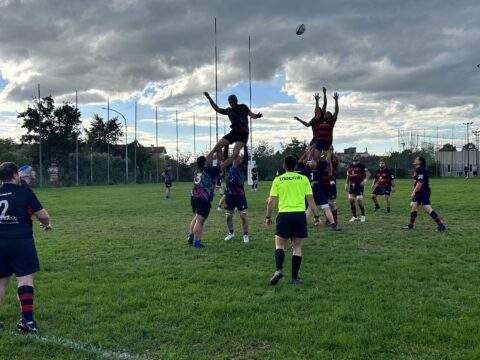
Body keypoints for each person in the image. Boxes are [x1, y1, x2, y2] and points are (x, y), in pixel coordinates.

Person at [0, 162, 52, 333]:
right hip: (21, 241)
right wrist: (47, 224)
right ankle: (27, 321)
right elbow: (43, 215)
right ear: (16, 175)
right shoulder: (24, 192)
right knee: (25, 279)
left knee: (1, 283)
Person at [265, 156, 321, 286]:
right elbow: (311, 200)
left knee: (279, 245)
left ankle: (278, 270)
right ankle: (294, 278)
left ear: (284, 165)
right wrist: (317, 217)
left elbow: (271, 201)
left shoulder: (278, 180)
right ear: (296, 166)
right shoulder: (303, 179)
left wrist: (268, 217)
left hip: (284, 215)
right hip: (299, 215)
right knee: (297, 247)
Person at [203, 92, 262, 169]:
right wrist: (209, 99)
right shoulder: (229, 110)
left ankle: (223, 169)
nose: (231, 104)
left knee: (235, 153)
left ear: (236, 101)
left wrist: (256, 116)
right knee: (217, 147)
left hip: (243, 134)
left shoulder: (243, 107)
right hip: (234, 132)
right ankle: (204, 165)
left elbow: (250, 114)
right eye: (230, 102)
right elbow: (217, 109)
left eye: (233, 102)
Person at [188, 154, 225, 248]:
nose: (208, 161)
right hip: (202, 198)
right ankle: (197, 243)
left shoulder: (197, 170)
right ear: (205, 162)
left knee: (197, 218)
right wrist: (217, 153)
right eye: (207, 161)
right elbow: (222, 165)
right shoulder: (209, 171)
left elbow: (206, 161)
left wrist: (215, 153)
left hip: (194, 196)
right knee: (200, 220)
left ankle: (191, 236)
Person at [405, 156, 446, 231]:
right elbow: (416, 181)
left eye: (416, 159)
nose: (414, 159)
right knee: (413, 205)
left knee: (427, 208)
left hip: (423, 191)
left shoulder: (421, 170)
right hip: (419, 191)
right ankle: (410, 225)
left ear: (420, 162)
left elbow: (420, 183)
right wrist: (414, 184)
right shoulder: (417, 169)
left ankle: (441, 225)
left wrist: (414, 191)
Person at [223, 146, 250, 243]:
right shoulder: (228, 167)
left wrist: (245, 146)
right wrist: (226, 145)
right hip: (229, 195)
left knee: (243, 216)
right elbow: (225, 156)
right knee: (228, 217)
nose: (236, 159)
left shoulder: (242, 167)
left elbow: (246, 157)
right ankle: (231, 233)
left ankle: (245, 234)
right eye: (234, 158)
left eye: (238, 158)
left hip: (240, 196)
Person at [295, 88, 327, 162]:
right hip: (315, 138)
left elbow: (325, 104)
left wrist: (324, 94)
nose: (315, 111)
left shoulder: (321, 117)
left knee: (313, 150)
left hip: (320, 138)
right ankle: (306, 163)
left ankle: (315, 163)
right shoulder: (313, 119)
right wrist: (299, 119)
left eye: (316, 110)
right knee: (308, 151)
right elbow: (307, 124)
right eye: (314, 110)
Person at [311, 91, 339, 161]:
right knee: (315, 158)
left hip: (327, 142)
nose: (326, 114)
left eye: (328, 113)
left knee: (327, 160)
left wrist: (336, 101)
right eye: (325, 113)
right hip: (319, 141)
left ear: (331, 116)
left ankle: (328, 171)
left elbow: (336, 111)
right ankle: (316, 170)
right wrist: (317, 101)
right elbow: (317, 110)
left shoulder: (332, 122)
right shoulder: (320, 120)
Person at [345, 153, 371, 223]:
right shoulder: (350, 166)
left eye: (357, 156)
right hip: (351, 185)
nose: (355, 157)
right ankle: (354, 216)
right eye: (354, 155)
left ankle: (363, 215)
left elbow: (368, 174)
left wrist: (365, 180)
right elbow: (348, 176)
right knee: (351, 200)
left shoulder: (362, 166)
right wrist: (346, 184)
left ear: (359, 157)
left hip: (359, 185)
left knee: (359, 199)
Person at [322, 148, 340, 225]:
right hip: (323, 186)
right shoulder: (322, 164)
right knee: (325, 203)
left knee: (331, 203)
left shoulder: (333, 163)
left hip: (331, 186)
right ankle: (328, 218)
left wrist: (331, 152)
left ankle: (335, 220)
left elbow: (338, 159)